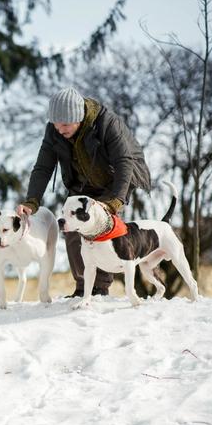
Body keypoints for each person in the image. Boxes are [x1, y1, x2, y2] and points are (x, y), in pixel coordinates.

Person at [16, 87, 152, 297]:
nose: (59, 129)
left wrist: (115, 201)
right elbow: (43, 167)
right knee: (72, 228)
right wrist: (32, 201)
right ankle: (82, 287)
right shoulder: (54, 131)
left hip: (114, 180)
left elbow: (124, 162)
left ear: (78, 117)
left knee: (100, 228)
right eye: (55, 123)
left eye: (65, 124)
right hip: (82, 183)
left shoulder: (107, 123)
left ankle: (100, 289)